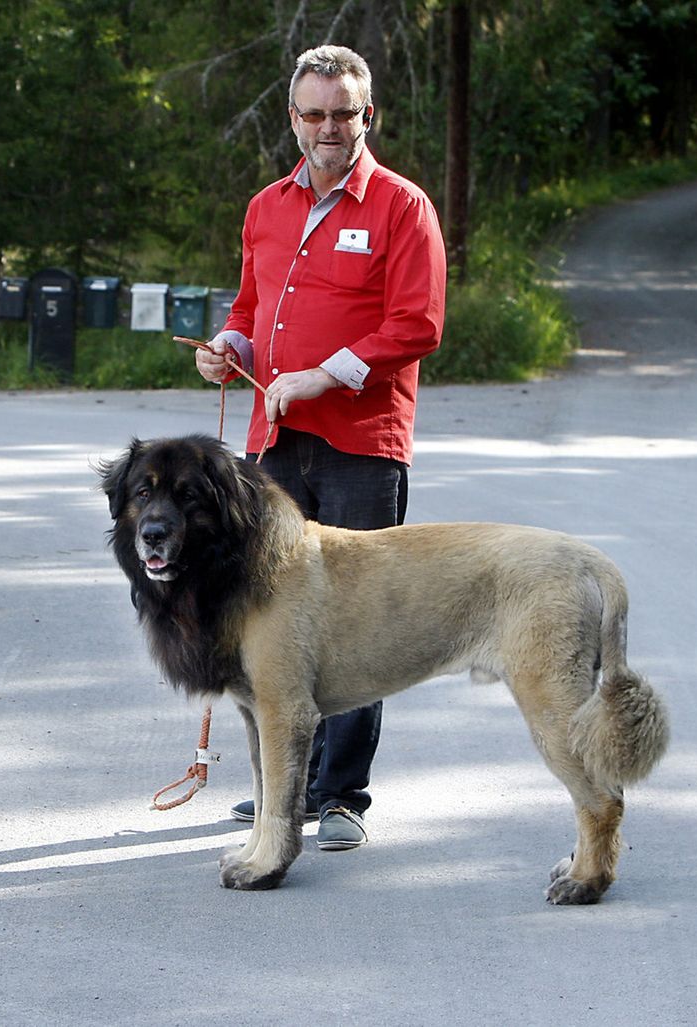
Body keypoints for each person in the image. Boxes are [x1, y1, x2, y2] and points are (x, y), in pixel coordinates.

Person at [195, 44, 446, 851]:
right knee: (268, 618)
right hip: (274, 444)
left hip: (363, 442)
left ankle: (341, 796)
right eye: (314, 113)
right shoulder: (266, 205)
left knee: (357, 620)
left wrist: (323, 375)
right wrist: (226, 345)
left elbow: (418, 324)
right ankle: (280, 796)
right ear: (293, 118)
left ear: (366, 115)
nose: (328, 127)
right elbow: (249, 305)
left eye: (343, 112)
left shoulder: (402, 207)